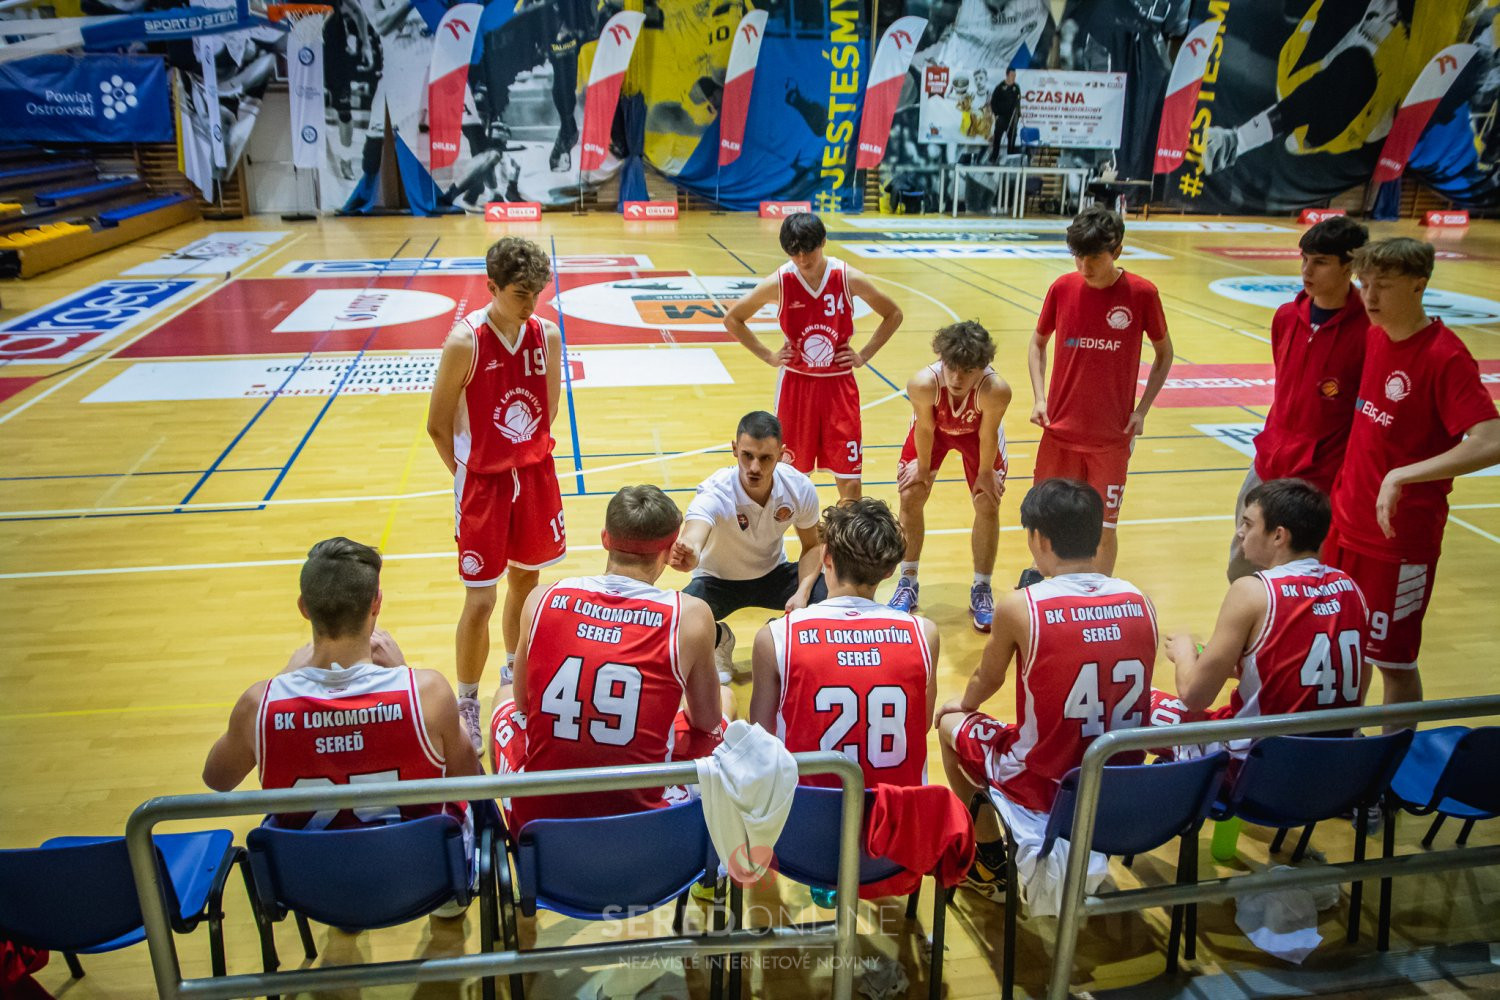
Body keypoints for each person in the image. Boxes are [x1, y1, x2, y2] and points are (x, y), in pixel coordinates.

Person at [935, 479, 1157, 898]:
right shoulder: (1139, 598)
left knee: (949, 725)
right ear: (1097, 534)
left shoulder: (1022, 604)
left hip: (1048, 783)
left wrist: (961, 705)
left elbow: (988, 679)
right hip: (1121, 781)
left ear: (1039, 539)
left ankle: (989, 860)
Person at [1323, 238, 1500, 708]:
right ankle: (1347, 740)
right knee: (1348, 650)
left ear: (1419, 286)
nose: (1370, 296)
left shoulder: (1445, 356)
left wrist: (1401, 476)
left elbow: (1492, 440)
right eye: (1364, 284)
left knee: (1394, 664)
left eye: (1383, 285)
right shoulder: (1376, 336)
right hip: (1345, 524)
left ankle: (1394, 754)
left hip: (1398, 541)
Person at [203, 538, 481, 836]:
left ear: (303, 607)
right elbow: (469, 779)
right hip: (417, 863)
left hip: (307, 866)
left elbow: (217, 779)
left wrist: (281, 679)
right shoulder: (427, 693)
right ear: (376, 603)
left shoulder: (259, 705)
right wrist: (404, 671)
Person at [489, 485, 724, 831]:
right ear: (669, 549)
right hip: (643, 825)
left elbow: (524, 703)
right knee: (724, 707)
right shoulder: (690, 615)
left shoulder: (542, 598)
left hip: (543, 823)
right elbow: (706, 720)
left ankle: (508, 839)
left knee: (504, 696)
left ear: (605, 538)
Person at [427, 237, 567, 752]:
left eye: (536, 293)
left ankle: (513, 678)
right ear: (491, 287)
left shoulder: (547, 335)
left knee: (526, 585)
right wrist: (467, 475)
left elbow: (548, 410)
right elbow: (437, 425)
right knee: (481, 599)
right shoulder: (464, 342)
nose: (530, 304)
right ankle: (467, 700)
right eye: (519, 294)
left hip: (534, 477)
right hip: (483, 485)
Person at [1153, 479, 1370, 756]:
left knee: (1142, 705)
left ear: (1279, 536)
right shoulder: (1350, 587)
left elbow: (1194, 696)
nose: (1240, 532)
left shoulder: (1252, 591)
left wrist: (1184, 651)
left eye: (1248, 524)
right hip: (1341, 758)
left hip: (1262, 763)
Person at [1024, 205, 1174, 581]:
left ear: (1116, 250)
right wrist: (1040, 398)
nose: (1084, 266)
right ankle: (1045, 586)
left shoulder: (1142, 294)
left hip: (1110, 439)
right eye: (1078, 256)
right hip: (1059, 434)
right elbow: (1037, 343)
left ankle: (1098, 595)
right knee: (1044, 520)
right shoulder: (1062, 288)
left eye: (1094, 257)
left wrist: (1142, 410)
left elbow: (1164, 354)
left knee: (1104, 529)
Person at [750, 497, 940, 789]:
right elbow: (919, 724)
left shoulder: (775, 636)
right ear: (889, 570)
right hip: (895, 810)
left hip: (810, 809)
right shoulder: (924, 634)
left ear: (826, 556)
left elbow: (761, 739)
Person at [723, 212, 904, 501]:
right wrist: (769, 356)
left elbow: (893, 313)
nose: (802, 258)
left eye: (808, 250)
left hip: (839, 386)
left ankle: (847, 533)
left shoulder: (847, 277)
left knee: (850, 482)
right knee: (792, 481)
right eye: (794, 252)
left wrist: (864, 355)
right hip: (796, 386)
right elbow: (733, 319)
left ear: (823, 242)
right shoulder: (781, 281)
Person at [1228, 216, 1370, 581]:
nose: (1307, 270)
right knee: (1242, 564)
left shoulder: (1369, 330)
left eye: (1320, 262)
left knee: (1303, 575)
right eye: (1304, 259)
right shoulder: (1286, 317)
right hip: (1269, 461)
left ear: (1349, 266)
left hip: (1320, 476)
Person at [669, 411, 827, 682]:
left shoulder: (799, 488)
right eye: (747, 455)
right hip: (717, 581)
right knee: (678, 621)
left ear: (781, 454)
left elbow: (812, 546)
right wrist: (691, 551)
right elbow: (696, 529)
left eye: (765, 458)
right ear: (734, 449)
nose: (754, 467)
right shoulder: (716, 491)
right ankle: (720, 638)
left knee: (830, 596)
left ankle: (778, 634)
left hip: (773, 574)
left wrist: (802, 594)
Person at [888, 321, 1011, 633]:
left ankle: (981, 587)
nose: (957, 378)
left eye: (967, 371)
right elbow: (925, 428)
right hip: (935, 432)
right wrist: (923, 469)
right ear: (941, 359)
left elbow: (987, 435)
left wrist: (986, 473)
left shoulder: (995, 390)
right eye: (951, 368)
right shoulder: (923, 383)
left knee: (987, 503)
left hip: (978, 437)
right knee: (911, 494)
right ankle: (908, 581)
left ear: (982, 367)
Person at [988, 67, 1022, 161]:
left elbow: (1018, 102)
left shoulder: (1016, 87)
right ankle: (994, 156)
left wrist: (1018, 115)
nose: (1013, 77)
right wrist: (996, 115)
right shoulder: (1000, 87)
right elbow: (993, 102)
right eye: (1012, 75)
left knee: (1012, 138)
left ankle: (1010, 157)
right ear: (1007, 75)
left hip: (1012, 118)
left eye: (1015, 75)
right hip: (1002, 117)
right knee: (997, 138)